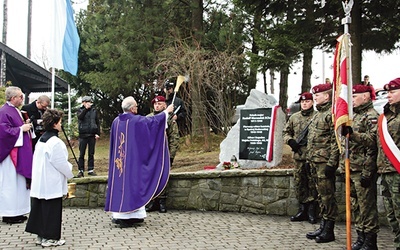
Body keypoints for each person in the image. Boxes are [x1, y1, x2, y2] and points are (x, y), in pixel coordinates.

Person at [105, 96, 173, 228]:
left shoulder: (116, 121)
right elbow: (152, 123)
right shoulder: (136, 121)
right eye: (136, 106)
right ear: (131, 108)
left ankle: (127, 215)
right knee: (133, 185)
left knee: (122, 186)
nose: (137, 108)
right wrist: (166, 112)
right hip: (131, 163)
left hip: (119, 162)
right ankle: (127, 216)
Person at [25, 109, 74, 247]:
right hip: (51, 181)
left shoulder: (41, 139)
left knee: (41, 209)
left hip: (41, 180)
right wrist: (70, 172)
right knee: (52, 210)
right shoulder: (55, 142)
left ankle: (41, 236)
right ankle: (51, 238)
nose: (61, 124)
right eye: (60, 122)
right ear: (54, 124)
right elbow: (60, 163)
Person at [341, 85, 379, 250]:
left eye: (355, 97)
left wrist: (368, 172)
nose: (353, 100)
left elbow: (373, 143)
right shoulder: (353, 116)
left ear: (366, 97)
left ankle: (370, 241)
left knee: (367, 207)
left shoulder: (371, 116)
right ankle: (361, 236)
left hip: (363, 168)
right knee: (355, 205)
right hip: (351, 167)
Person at [305, 83, 339, 243]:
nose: (315, 97)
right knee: (320, 196)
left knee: (327, 197)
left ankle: (329, 230)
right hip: (315, 162)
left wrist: (332, 163)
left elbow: (335, 141)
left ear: (327, 96)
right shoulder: (318, 114)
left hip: (324, 163)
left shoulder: (330, 114)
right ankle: (323, 225)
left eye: (317, 95)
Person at [283, 92, 318, 224]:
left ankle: (312, 211)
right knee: (299, 183)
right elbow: (286, 132)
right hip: (298, 156)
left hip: (312, 156)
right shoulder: (294, 117)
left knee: (312, 183)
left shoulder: (316, 117)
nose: (304, 104)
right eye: (302, 102)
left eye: (307, 101)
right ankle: (302, 209)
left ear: (312, 102)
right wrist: (290, 141)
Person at [0, 86, 33, 224]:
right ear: (13, 98)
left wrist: (25, 125)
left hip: (19, 153)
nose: (22, 98)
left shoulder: (15, 110)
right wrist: (21, 129)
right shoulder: (4, 111)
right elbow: (3, 132)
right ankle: (9, 214)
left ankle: (18, 211)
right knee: (10, 184)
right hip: (10, 156)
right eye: (20, 96)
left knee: (18, 184)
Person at [377, 78, 400, 250]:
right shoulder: (385, 116)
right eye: (387, 92)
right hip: (386, 170)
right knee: (391, 214)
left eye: (392, 92)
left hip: (397, 170)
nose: (388, 95)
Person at [146, 95, 180, 213]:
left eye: (160, 104)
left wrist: (171, 155)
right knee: (151, 177)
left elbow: (174, 138)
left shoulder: (169, 119)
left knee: (163, 177)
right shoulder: (148, 118)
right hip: (151, 154)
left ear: (165, 105)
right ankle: (151, 201)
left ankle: (162, 202)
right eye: (155, 104)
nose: (157, 105)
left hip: (164, 153)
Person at [76, 96, 100, 177]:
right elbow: (80, 117)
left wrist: (97, 133)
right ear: (83, 102)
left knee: (91, 153)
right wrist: (86, 109)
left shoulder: (94, 110)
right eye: (87, 102)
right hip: (83, 135)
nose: (89, 103)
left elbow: (97, 121)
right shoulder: (80, 110)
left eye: (90, 102)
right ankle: (80, 170)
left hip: (92, 135)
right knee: (81, 153)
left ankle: (90, 169)